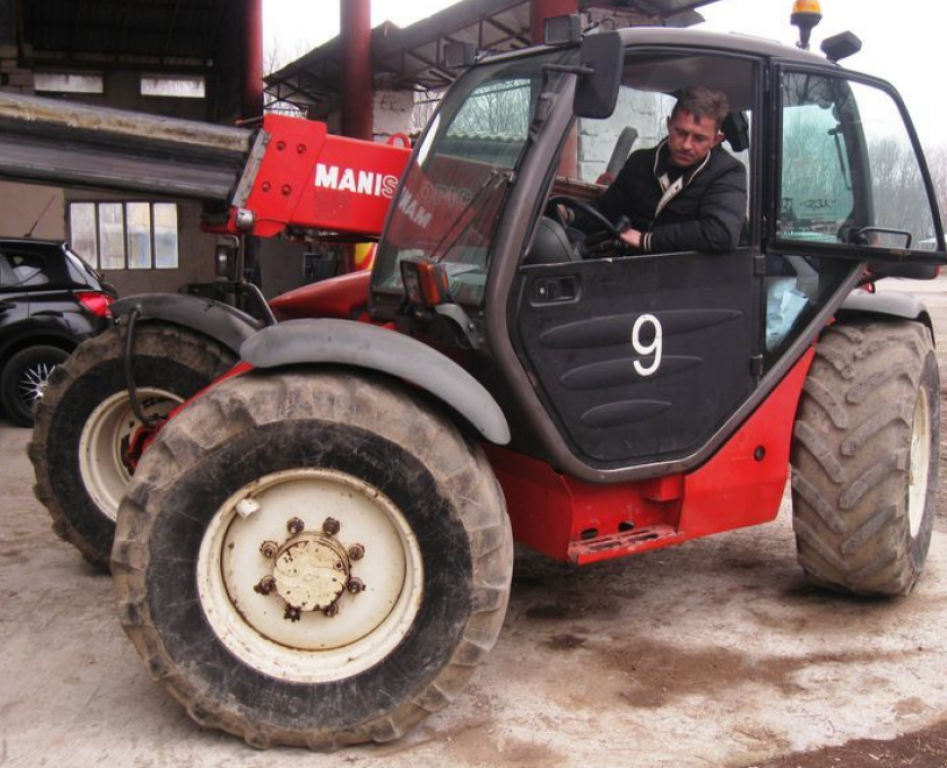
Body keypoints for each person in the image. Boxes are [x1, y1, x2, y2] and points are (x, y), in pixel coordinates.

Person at [572, 86, 748, 255]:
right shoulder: (639, 163)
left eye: (699, 138)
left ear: (716, 140)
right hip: (631, 271)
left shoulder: (728, 173)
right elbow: (607, 211)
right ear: (669, 124)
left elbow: (721, 234)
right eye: (681, 132)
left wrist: (646, 240)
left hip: (690, 281)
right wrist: (570, 214)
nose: (686, 145)